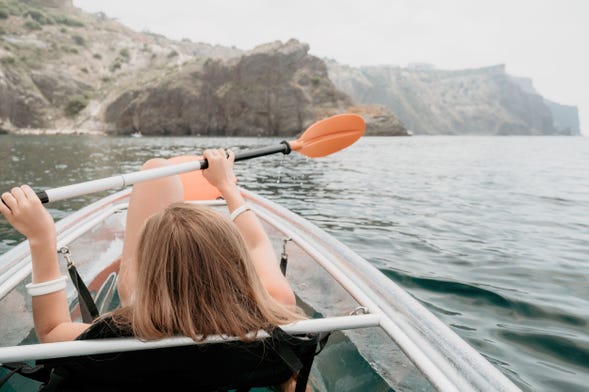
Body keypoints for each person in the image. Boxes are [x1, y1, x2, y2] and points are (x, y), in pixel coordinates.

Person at [0, 149, 303, 345]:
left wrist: (41, 239)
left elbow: (51, 330)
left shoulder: (123, 333)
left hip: (144, 312)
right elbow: (256, 242)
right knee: (159, 171)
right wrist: (226, 186)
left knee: (157, 169)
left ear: (149, 268)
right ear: (236, 263)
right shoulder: (277, 308)